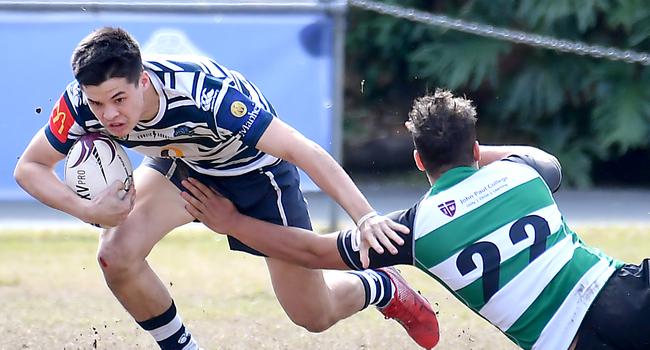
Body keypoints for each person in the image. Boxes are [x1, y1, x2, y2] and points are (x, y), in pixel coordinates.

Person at [13, 27, 441, 350]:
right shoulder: (80, 103)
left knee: (313, 314)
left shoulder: (209, 98)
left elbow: (304, 151)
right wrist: (87, 211)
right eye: (97, 103)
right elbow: (30, 168)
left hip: (256, 174)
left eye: (119, 99)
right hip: (183, 162)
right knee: (115, 255)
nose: (108, 115)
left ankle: (381, 286)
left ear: (142, 81)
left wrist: (364, 216)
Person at [181, 89, 650, 350]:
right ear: (475, 148)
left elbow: (311, 251)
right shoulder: (523, 174)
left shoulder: (414, 231)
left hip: (566, 342)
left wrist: (234, 223)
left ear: (418, 161)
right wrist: (474, 152)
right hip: (624, 291)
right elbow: (546, 159)